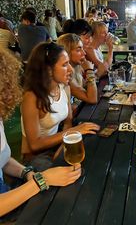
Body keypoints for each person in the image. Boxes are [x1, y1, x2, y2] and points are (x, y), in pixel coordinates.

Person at [0, 47, 81, 218]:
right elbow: (34, 144)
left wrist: (27, 172)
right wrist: (41, 180)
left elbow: (4, 159)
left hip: (12, 187)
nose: (10, 91)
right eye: (6, 86)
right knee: (64, 202)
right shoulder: (33, 96)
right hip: (6, 208)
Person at [21, 42, 100, 171]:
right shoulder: (32, 97)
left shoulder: (63, 87)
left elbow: (68, 123)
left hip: (56, 144)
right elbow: (34, 144)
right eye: (64, 65)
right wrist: (75, 131)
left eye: (68, 63)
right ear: (48, 69)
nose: (71, 69)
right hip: (35, 156)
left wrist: (63, 147)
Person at [57, 33, 97, 105]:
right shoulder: (65, 74)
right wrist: (89, 71)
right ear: (67, 52)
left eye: (83, 49)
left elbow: (86, 87)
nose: (84, 53)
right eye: (78, 50)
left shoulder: (78, 68)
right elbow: (92, 99)